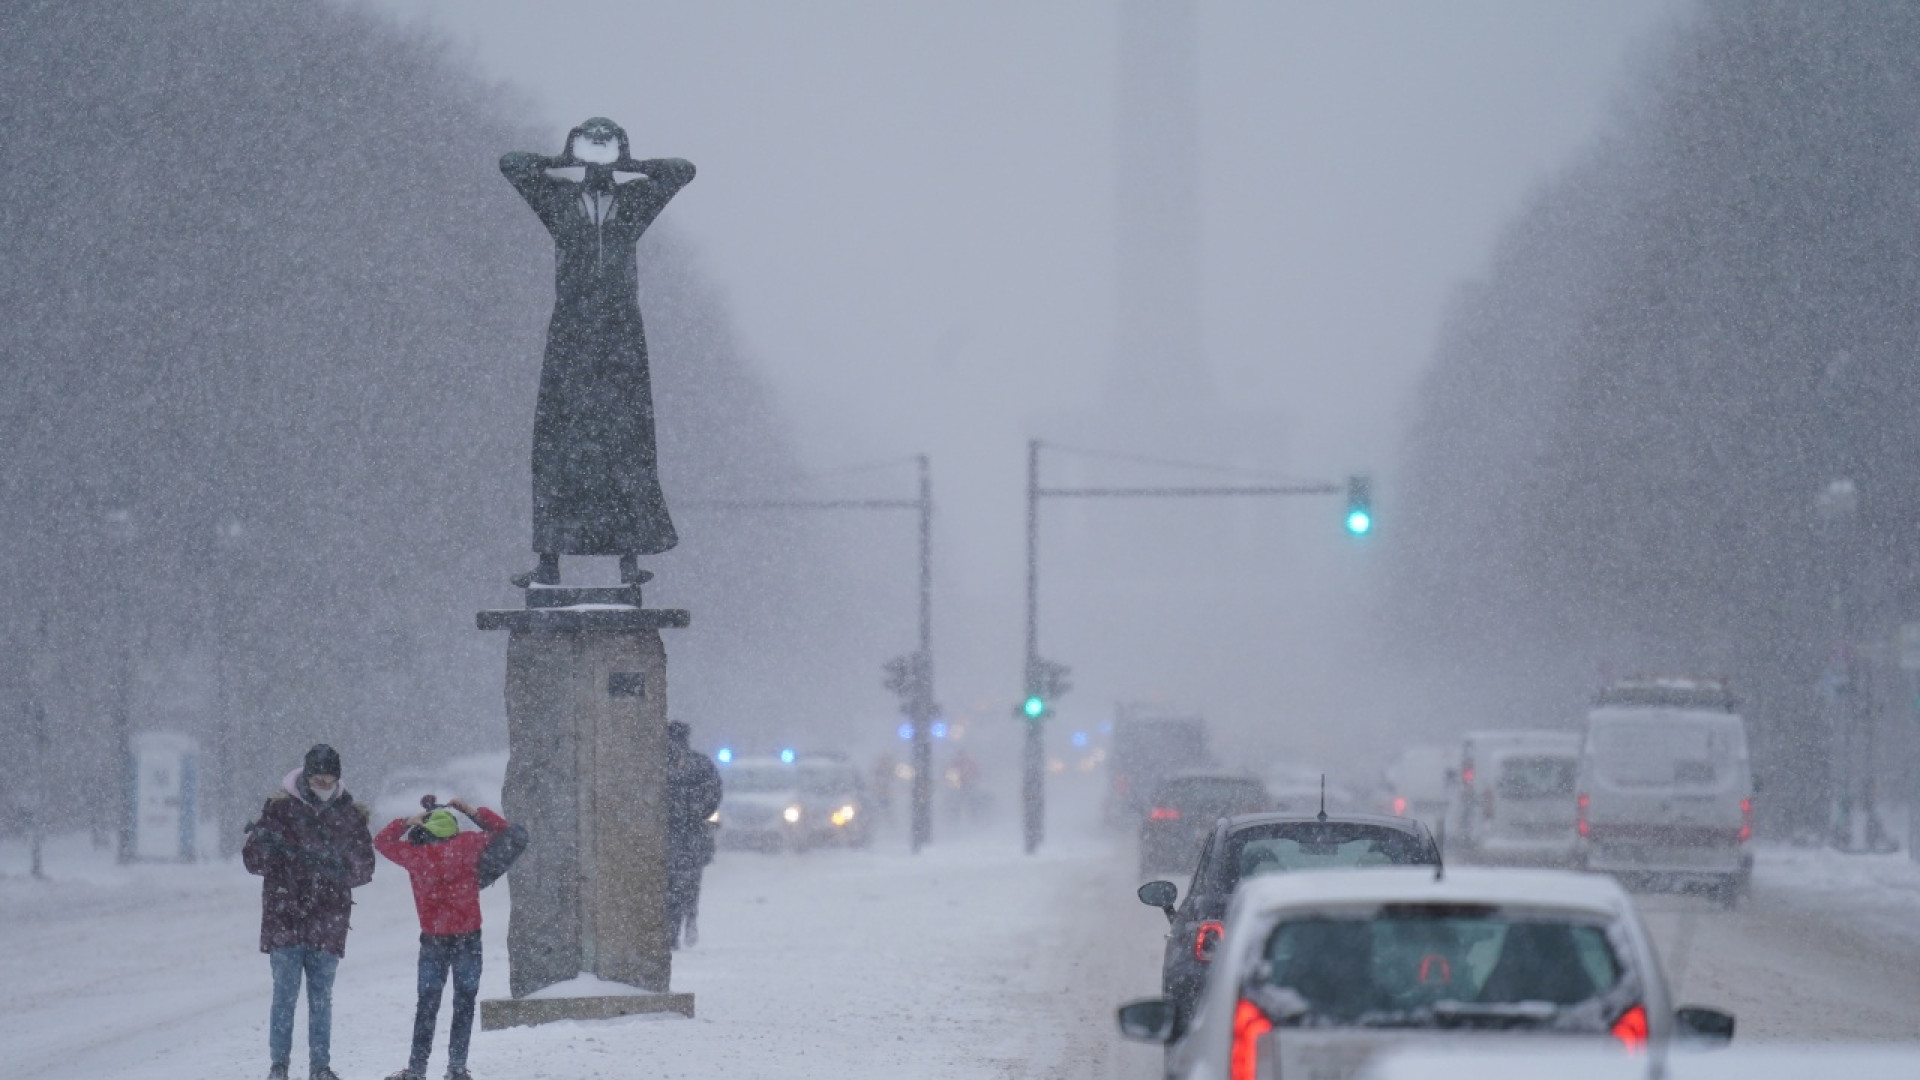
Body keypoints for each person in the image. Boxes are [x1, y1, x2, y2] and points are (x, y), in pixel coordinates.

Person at [499, 117, 695, 589]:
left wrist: (630, 164)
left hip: (622, 333)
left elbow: (682, 171)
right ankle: (548, 563)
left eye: (607, 148)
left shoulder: (634, 204)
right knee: (556, 443)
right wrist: (564, 159)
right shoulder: (558, 201)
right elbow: (512, 165)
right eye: (594, 146)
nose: (598, 158)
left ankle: (630, 561)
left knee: (626, 443)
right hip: (570, 331)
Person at [242, 743, 376, 1080]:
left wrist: (337, 868)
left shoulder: (349, 815)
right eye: (318, 778)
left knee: (320, 998)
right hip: (285, 915)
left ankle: (320, 1067)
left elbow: (364, 867)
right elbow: (253, 861)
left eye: (329, 778)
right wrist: (267, 847)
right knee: (284, 996)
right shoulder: (279, 810)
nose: (324, 784)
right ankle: (279, 1067)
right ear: (306, 776)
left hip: (328, 919)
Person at [373, 796, 512, 1080]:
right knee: (464, 1002)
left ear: (425, 830)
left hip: (434, 939)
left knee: (427, 1004)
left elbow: (381, 841)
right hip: (468, 937)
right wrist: (471, 811)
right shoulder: (469, 844)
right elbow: (504, 831)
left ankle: (417, 1070)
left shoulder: (415, 855)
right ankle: (456, 1069)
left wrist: (406, 821)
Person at [664, 721, 722, 948]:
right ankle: (688, 918)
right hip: (693, 833)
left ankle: (672, 928)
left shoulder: (659, 763)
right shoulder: (701, 763)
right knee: (690, 882)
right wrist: (697, 813)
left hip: (669, 833)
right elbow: (714, 794)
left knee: (669, 884)